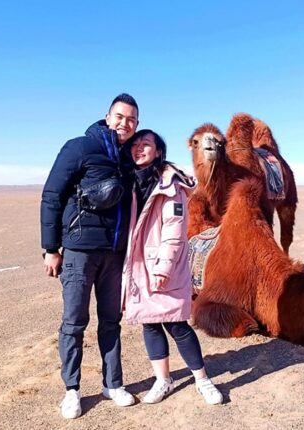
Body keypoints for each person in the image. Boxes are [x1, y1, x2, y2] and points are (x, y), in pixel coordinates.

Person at [41, 93, 140, 419]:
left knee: (111, 321)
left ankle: (113, 384)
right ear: (108, 117)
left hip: (114, 255)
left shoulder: (129, 159)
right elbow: (52, 196)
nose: (125, 123)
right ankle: (72, 390)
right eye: (120, 116)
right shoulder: (80, 147)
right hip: (80, 252)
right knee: (74, 322)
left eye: (132, 119)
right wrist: (51, 248)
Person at [122, 130, 223, 405]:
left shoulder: (170, 185)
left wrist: (162, 268)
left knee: (177, 324)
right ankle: (162, 380)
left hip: (162, 266)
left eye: (147, 145)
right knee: (150, 323)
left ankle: (202, 380)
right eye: (136, 144)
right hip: (137, 266)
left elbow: (174, 231)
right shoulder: (128, 181)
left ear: (158, 151)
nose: (140, 149)